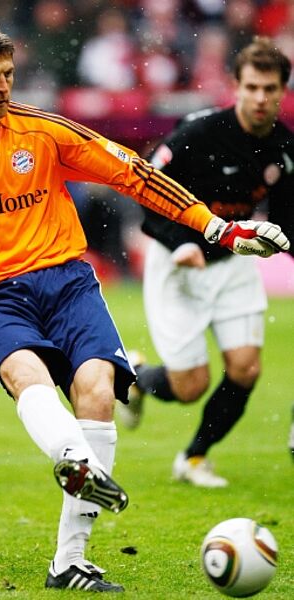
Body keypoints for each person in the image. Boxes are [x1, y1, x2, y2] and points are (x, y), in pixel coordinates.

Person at [0, 21, 289, 593]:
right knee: (25, 372)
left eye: (8, 74)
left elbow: (136, 174)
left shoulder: (45, 131)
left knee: (97, 391)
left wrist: (217, 229)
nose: (4, 87)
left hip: (69, 283)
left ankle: (69, 560)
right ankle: (77, 460)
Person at [119, 37, 294, 489]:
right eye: (252, 87)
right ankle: (136, 377)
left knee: (246, 368)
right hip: (178, 263)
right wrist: (181, 242)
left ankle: (194, 458)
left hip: (233, 262)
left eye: (270, 89)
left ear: (282, 91)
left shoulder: (284, 148)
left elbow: (287, 221)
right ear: (235, 86)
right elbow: (147, 191)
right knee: (190, 386)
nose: (260, 98)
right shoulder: (198, 134)